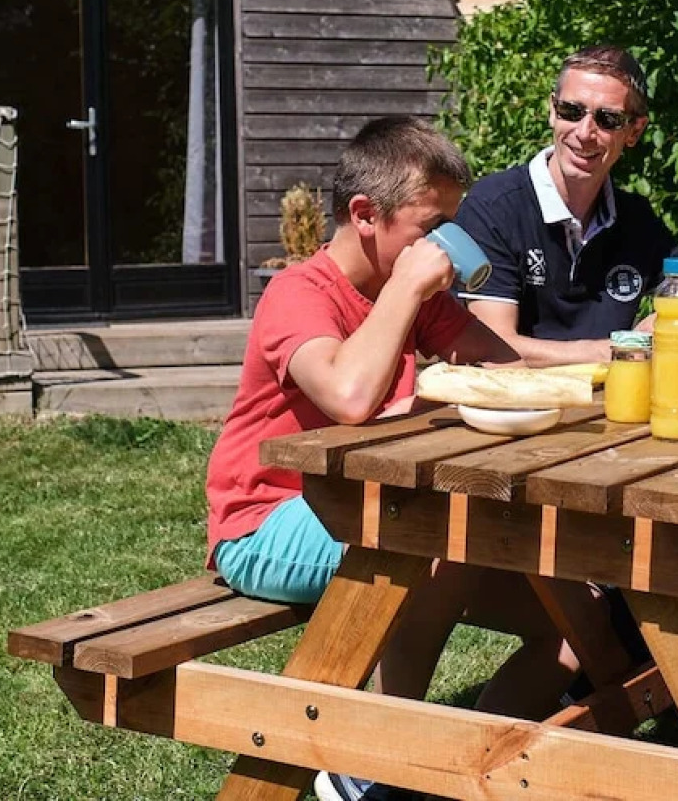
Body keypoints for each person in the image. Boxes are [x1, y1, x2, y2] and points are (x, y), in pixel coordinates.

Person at [203, 116, 589, 801]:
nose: (444, 248)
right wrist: (409, 289)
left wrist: (609, 357)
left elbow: (502, 364)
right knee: (436, 546)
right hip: (265, 522)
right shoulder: (299, 292)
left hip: (377, 510)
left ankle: (457, 768)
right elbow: (349, 395)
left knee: (572, 622)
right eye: (430, 227)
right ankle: (374, 769)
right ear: (364, 215)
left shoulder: (417, 297)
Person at [453, 45, 678, 364]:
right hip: (516, 409)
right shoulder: (493, 207)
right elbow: (494, 350)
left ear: (635, 131)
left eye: (608, 119)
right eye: (571, 111)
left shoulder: (637, 220)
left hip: (614, 408)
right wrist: (627, 346)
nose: (585, 133)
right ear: (552, 110)